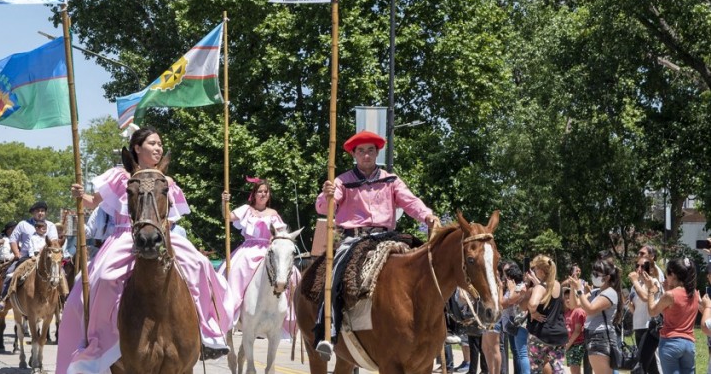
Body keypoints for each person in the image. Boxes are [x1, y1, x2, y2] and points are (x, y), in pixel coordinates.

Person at [56, 126, 234, 374]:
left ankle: (207, 333)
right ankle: (97, 343)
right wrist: (80, 194)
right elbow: (92, 202)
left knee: (201, 265)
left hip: (162, 234)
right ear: (137, 148)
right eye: (152, 143)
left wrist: (161, 228)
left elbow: (172, 216)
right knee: (105, 277)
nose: (158, 148)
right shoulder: (120, 176)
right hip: (124, 235)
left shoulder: (167, 181)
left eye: (160, 144)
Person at [313, 130, 439, 356]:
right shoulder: (342, 181)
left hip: (387, 235)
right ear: (354, 155)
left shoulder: (391, 180)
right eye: (361, 151)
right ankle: (328, 327)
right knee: (336, 271)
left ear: (377, 152)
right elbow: (323, 209)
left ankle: (447, 323)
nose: (366, 155)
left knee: (429, 263)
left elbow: (411, 202)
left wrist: (428, 216)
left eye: (370, 150)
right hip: (355, 238)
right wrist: (327, 195)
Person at [220, 177, 295, 324]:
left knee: (293, 275)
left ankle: (288, 311)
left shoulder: (273, 213)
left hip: (269, 249)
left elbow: (280, 235)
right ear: (254, 194)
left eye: (266, 192)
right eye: (260, 191)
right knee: (235, 272)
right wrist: (224, 201)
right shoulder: (247, 210)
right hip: (248, 250)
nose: (263, 194)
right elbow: (227, 216)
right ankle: (231, 308)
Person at [642, 257, 699, 373]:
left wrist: (650, 290)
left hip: (671, 342)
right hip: (689, 343)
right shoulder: (695, 293)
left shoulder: (670, 295)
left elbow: (653, 311)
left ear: (672, 275)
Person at [567, 258, 621, 374]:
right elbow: (574, 304)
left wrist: (579, 289)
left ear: (607, 277)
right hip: (593, 336)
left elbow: (591, 310)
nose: (594, 276)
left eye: (597, 274)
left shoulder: (610, 293)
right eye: (593, 273)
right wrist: (573, 287)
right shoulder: (596, 292)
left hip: (600, 337)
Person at [525, 255, 566, 374]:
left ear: (541, 271)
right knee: (558, 369)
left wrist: (533, 312)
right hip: (558, 333)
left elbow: (532, 304)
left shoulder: (540, 287)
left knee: (536, 369)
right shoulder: (557, 285)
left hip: (540, 333)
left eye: (535, 268)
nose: (534, 271)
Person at [628, 255, 661, 374]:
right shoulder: (634, 286)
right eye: (637, 265)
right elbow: (634, 309)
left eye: (643, 266)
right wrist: (629, 303)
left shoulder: (654, 282)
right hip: (638, 326)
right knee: (651, 366)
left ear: (650, 269)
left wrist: (635, 282)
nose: (639, 268)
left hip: (650, 328)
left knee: (640, 364)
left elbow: (646, 297)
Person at [562, 283, 586, 374]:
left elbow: (577, 331)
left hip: (577, 344)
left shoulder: (578, 311)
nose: (568, 300)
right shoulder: (566, 313)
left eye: (570, 297)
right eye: (565, 298)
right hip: (570, 344)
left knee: (575, 370)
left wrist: (567, 345)